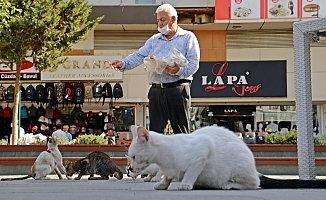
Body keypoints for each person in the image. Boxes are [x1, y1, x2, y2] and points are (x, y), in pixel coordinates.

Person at [111, 3, 200, 134]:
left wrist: (179, 71)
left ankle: (185, 154)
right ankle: (156, 155)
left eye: (163, 20)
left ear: (173, 19)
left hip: (178, 89)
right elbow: (139, 55)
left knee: (181, 132)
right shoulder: (154, 40)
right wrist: (123, 63)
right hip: (156, 90)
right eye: (158, 20)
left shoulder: (188, 37)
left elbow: (194, 64)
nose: (160, 24)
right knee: (155, 133)